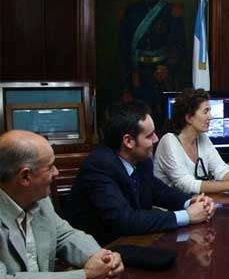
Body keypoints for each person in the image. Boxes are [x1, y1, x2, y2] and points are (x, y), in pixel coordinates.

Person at [0, 130, 124, 279]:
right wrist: (86, 277)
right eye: (50, 167)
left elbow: (65, 235)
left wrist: (103, 259)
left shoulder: (39, 199)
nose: (57, 172)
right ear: (25, 177)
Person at [65, 100, 215, 246]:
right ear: (128, 141)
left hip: (132, 243)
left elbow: (159, 191)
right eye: (149, 136)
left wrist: (191, 202)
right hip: (101, 251)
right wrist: (187, 216)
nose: (156, 139)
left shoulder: (141, 160)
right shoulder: (99, 167)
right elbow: (125, 221)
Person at [154, 88, 229, 194]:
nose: (210, 117)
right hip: (172, 208)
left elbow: (220, 170)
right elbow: (185, 185)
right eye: (205, 111)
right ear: (189, 118)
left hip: (197, 204)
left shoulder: (202, 137)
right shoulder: (169, 141)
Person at [119, 0, 186, 125]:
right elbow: (123, 50)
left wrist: (168, 67)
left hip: (161, 75)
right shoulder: (131, 12)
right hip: (139, 77)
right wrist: (126, 86)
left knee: (163, 122)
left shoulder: (170, 11)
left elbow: (178, 45)